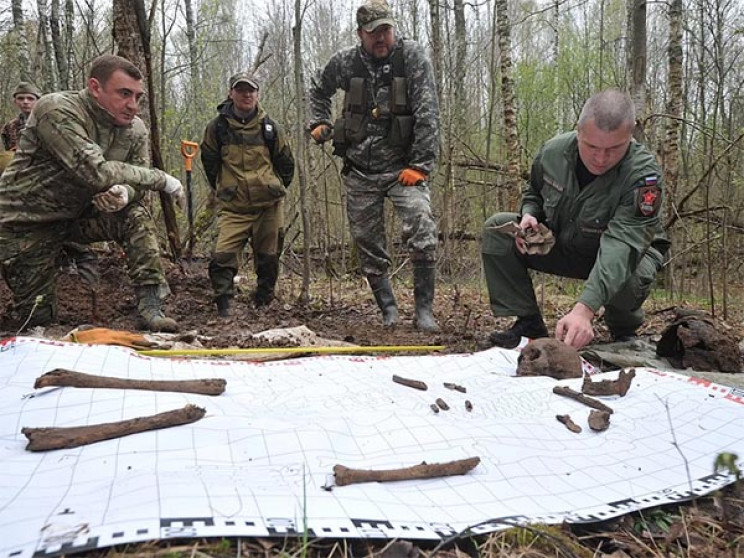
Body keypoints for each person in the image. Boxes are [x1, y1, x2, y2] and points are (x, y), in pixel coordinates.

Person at [0, 54, 185, 332]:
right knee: (37, 319)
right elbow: (94, 172)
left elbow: (136, 184)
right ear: (95, 87)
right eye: (124, 94)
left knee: (134, 214)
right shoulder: (56, 109)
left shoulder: (134, 130)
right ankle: (53, 263)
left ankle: (151, 305)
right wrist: (162, 179)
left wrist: (125, 193)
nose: (132, 106)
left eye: (138, 97)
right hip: (27, 223)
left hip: (80, 216)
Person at [481, 88, 670, 349]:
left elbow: (623, 246)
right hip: (567, 244)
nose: (601, 158)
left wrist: (584, 310)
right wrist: (529, 215)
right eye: (591, 146)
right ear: (578, 131)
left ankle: (623, 330)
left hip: (624, 254)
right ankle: (529, 324)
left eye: (614, 148)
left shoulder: (643, 176)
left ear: (631, 134)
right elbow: (534, 192)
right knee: (497, 229)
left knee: (629, 272)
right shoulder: (553, 152)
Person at [307, 0, 441, 332]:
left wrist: (421, 166)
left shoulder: (411, 57)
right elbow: (317, 89)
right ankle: (388, 309)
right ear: (360, 34)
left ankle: (424, 312)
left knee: (422, 228)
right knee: (367, 242)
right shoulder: (345, 62)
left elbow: (428, 112)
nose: (381, 38)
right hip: (359, 169)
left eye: (386, 30)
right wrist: (318, 122)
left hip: (401, 169)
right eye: (373, 33)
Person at [201, 72, 295, 317]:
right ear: (231, 93)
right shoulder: (217, 128)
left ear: (257, 94)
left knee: (269, 257)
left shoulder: (270, 127)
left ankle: (263, 302)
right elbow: (210, 163)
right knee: (222, 256)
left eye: (251, 90)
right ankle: (224, 305)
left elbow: (286, 164)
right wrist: (226, 189)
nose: (246, 94)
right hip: (235, 207)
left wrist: (272, 187)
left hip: (268, 206)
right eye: (241, 90)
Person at [1, 81, 41, 152]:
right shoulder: (9, 127)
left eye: (30, 98)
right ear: (15, 101)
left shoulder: (45, 122)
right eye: (20, 98)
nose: (25, 102)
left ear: (38, 101)